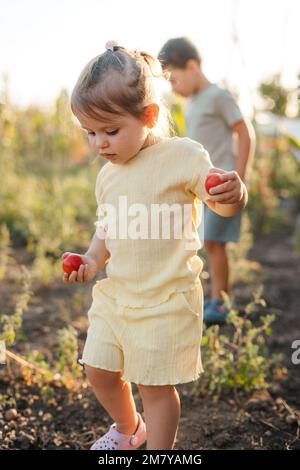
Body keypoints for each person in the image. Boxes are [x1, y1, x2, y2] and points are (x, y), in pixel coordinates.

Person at [62, 40, 248, 451]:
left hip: (166, 298)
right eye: (90, 132)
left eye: (111, 131)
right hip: (120, 295)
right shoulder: (108, 176)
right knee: (98, 370)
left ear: (148, 116)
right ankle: (130, 431)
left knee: (154, 386)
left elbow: (222, 202)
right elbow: (106, 230)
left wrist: (233, 194)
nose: (99, 144)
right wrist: (91, 260)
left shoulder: (183, 156)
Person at [158, 37, 255, 325]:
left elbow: (245, 132)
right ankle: (212, 297)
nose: (173, 87)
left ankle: (221, 303)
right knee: (206, 243)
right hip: (203, 186)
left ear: (192, 66)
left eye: (174, 79)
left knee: (214, 242)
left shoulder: (218, 96)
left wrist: (239, 176)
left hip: (223, 185)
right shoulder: (193, 103)